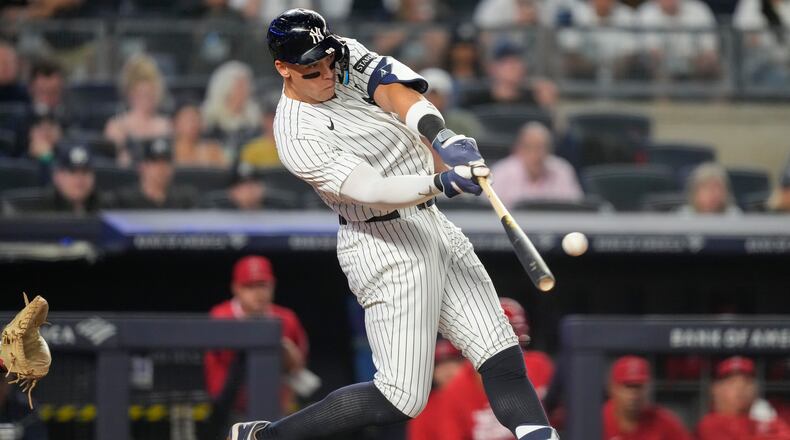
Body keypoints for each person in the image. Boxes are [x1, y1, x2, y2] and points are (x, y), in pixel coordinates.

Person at [227, 8, 559, 440]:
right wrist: (442, 180)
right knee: (401, 397)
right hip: (381, 242)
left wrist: (443, 137)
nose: (327, 73)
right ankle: (265, 437)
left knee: (501, 351)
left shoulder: (340, 53)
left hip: (430, 224)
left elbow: (393, 91)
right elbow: (371, 189)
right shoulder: (295, 135)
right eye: (312, 69)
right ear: (283, 69)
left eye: (328, 61)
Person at [415, 298, 555, 440]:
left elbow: (566, 417)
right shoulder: (456, 388)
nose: (499, 340)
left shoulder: (539, 365)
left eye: (508, 332)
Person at [204, 255, 310, 414]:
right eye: (249, 286)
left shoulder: (287, 318)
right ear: (236, 288)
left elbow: (297, 367)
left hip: (273, 408)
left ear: (272, 285)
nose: (258, 293)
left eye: (263, 285)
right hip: (228, 410)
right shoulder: (220, 316)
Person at [490, 122, 583, 208]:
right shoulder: (500, 172)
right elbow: (486, 213)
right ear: (518, 149)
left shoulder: (562, 171)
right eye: (529, 148)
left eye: (541, 148)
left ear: (549, 151)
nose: (535, 155)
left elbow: (576, 209)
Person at [698, 356, 790, 440]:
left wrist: (770, 421)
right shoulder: (710, 425)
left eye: (747, 382)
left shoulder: (766, 420)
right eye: (732, 382)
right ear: (715, 389)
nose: (740, 388)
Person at [104, 54, 172, 167]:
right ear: (130, 94)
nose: (146, 99)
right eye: (141, 95)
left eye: (150, 94)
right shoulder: (116, 126)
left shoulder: (166, 125)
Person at [603, 355, 693, 440]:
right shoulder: (598, 419)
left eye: (639, 386)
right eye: (628, 386)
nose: (634, 394)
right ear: (613, 388)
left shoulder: (664, 422)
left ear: (648, 389)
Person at [7, 142, 106, 215]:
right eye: (72, 172)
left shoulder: (104, 205)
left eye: (85, 172)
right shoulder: (37, 208)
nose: (79, 178)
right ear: (57, 177)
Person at [461, 40, 557, 111]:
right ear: (492, 68)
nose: (516, 67)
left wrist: (547, 106)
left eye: (518, 61)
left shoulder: (533, 98)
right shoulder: (477, 98)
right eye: (508, 62)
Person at [637, 0, 719, 80]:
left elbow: (709, 49)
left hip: (697, 64)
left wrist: (698, 62)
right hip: (663, 66)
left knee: (714, 68)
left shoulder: (698, 9)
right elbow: (653, 53)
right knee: (659, 73)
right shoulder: (647, 11)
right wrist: (674, 64)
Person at [558, 0, 639, 79]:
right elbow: (570, 48)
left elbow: (631, 52)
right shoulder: (578, 13)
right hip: (584, 76)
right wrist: (593, 68)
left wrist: (609, 68)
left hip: (620, 77)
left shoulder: (626, 15)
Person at [201, 61, 262, 161]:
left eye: (246, 85)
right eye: (239, 86)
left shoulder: (255, 120)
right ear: (225, 88)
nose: (245, 91)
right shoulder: (210, 121)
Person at [407, 338, 466, 440]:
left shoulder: (479, 394)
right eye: (439, 364)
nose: (447, 369)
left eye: (453, 361)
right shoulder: (422, 408)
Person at [113, 138, 197, 209]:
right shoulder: (124, 200)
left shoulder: (184, 200)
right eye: (155, 162)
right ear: (142, 167)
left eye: (166, 162)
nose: (161, 168)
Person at [733, 0, 790, 86]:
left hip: (784, 64)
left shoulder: (786, 6)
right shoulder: (751, 3)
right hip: (757, 66)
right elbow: (748, 39)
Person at [419, 68, 483, 139]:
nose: (432, 100)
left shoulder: (463, 122)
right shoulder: (410, 125)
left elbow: (479, 145)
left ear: (448, 97)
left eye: (437, 95)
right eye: (428, 95)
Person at [172, 102, 226, 168]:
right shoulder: (170, 151)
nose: (193, 125)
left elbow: (224, 173)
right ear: (176, 124)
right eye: (188, 120)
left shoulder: (213, 150)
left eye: (196, 119)